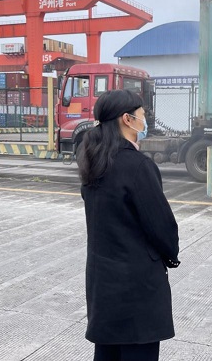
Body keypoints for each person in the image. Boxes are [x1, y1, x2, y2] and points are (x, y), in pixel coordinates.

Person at [77, 89, 180, 361]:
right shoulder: (137, 166)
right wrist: (171, 254)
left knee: (107, 353)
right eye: (142, 115)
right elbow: (162, 226)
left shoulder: (93, 160)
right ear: (127, 119)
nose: (144, 121)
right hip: (136, 287)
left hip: (102, 282)